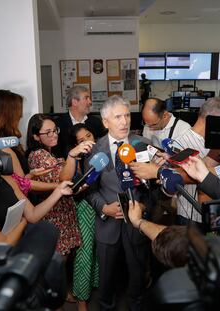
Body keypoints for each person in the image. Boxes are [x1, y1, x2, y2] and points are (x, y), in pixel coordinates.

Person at [85, 95, 150, 311]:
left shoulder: (144, 146)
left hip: (137, 223)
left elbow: (156, 189)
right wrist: (103, 207)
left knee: (137, 277)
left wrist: (143, 206)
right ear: (105, 122)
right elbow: (89, 190)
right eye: (117, 117)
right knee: (106, 280)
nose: (124, 122)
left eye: (127, 115)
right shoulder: (95, 150)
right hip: (107, 224)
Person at [26, 113, 94, 256]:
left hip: (63, 215)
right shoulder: (38, 155)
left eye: (55, 130)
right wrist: (71, 156)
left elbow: (66, 183)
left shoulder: (50, 153)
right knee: (58, 264)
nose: (53, 135)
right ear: (36, 136)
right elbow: (63, 181)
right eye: (47, 132)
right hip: (54, 218)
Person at [58, 124, 100, 311]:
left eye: (89, 135)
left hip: (102, 208)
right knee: (84, 255)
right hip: (84, 208)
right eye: (81, 140)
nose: (88, 141)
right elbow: (66, 184)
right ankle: (81, 301)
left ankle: (91, 287)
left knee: (96, 253)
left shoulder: (103, 153)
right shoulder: (75, 160)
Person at [0, 89, 56, 196]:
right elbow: (22, 184)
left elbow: (19, 180)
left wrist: (32, 174)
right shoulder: (1, 145)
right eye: (18, 116)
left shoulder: (8, 141)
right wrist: (58, 186)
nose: (20, 117)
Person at [56, 85, 106, 158]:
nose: (90, 102)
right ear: (75, 102)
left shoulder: (96, 122)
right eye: (86, 98)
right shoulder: (59, 124)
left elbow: (103, 147)